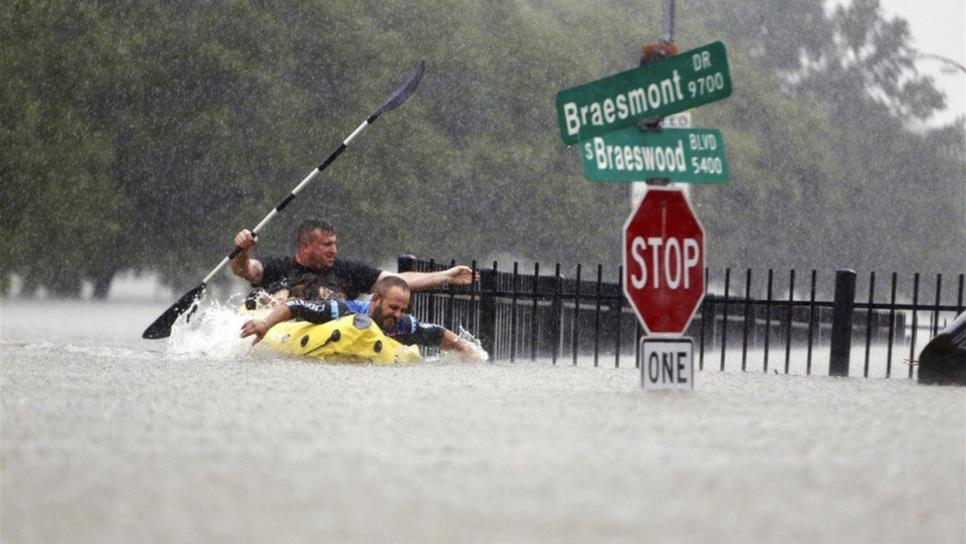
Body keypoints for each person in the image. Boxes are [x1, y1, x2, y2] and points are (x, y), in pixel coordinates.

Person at [240, 275, 484, 363]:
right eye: (393, 307)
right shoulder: (343, 309)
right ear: (376, 300)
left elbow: (437, 332)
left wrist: (464, 347)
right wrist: (265, 324)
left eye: (403, 309)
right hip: (308, 335)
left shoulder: (402, 323)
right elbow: (295, 306)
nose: (398, 314)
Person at [231, 218, 476, 301]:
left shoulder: (348, 271)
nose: (334, 250)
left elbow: (397, 281)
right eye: (327, 245)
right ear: (305, 246)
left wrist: (446, 275)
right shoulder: (278, 267)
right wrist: (243, 250)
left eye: (335, 244)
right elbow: (245, 270)